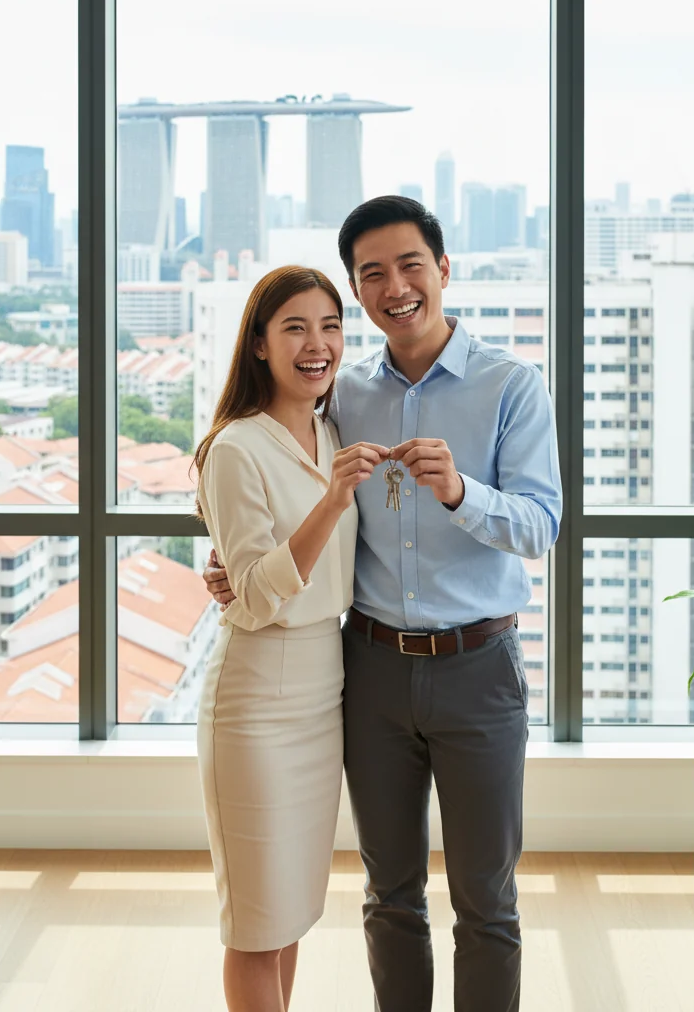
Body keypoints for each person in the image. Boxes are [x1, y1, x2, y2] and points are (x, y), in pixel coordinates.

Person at [203, 197, 562, 1012]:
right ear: (360, 291)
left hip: (479, 670)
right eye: (373, 274)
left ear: (443, 269)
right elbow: (274, 476)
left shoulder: (510, 385)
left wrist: (462, 491)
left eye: (410, 266)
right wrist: (227, 561)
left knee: (487, 900)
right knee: (389, 894)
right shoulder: (343, 394)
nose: (395, 287)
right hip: (366, 670)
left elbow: (542, 526)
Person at [192, 264, 389, 1012]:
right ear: (259, 344)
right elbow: (254, 597)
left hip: (323, 690)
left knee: (291, 912)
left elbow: (283, 571)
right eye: (296, 328)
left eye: (330, 327)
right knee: (255, 925)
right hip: (257, 701)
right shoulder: (236, 447)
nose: (318, 345)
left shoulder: (330, 429)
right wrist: (332, 499)